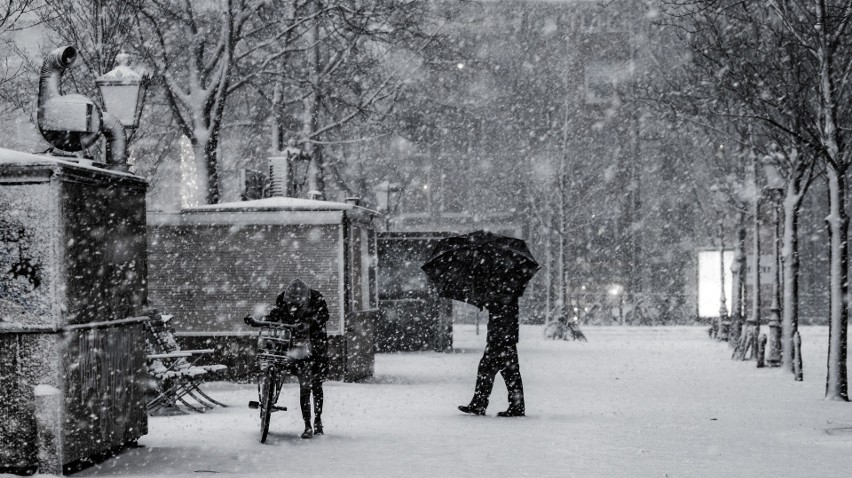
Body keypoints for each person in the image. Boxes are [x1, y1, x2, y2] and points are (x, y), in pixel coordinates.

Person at [266, 278, 329, 438]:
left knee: (315, 385)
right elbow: (277, 314)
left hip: (315, 346)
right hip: (297, 347)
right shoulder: (283, 301)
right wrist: (267, 319)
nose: (294, 306)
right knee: (305, 386)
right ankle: (308, 424)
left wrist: (309, 323)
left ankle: (318, 420)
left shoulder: (317, 299)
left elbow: (324, 316)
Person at [458, 292, 525, 417]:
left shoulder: (503, 286)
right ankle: (516, 405)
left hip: (501, 335)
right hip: (504, 334)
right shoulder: (507, 285)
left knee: (488, 369)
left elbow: (501, 305)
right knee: (509, 371)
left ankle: (480, 403)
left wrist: (487, 301)